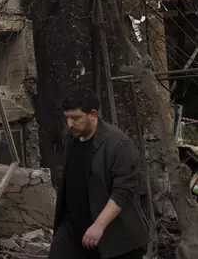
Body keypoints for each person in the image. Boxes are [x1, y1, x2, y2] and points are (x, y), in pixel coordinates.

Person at [48, 88, 150, 259]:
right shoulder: (72, 140)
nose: (70, 124)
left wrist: (99, 226)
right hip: (73, 229)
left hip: (113, 236)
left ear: (92, 114)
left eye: (75, 118)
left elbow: (122, 191)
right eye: (67, 118)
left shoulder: (118, 144)